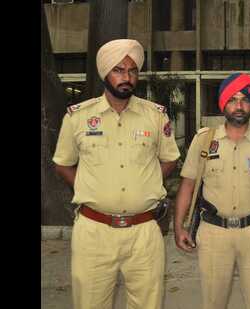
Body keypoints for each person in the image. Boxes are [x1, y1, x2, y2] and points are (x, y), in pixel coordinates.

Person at [52, 39, 181, 309]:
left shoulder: (155, 116)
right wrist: (89, 187)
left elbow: (170, 159)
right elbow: (63, 164)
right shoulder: (78, 117)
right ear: (105, 74)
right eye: (118, 70)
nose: (126, 77)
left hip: (144, 232)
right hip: (94, 232)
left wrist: (145, 183)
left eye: (132, 70)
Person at [173, 72, 250, 309]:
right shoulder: (204, 140)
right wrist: (178, 226)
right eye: (232, 99)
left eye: (245, 99)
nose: (239, 105)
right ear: (223, 103)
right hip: (214, 234)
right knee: (213, 302)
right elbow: (188, 185)